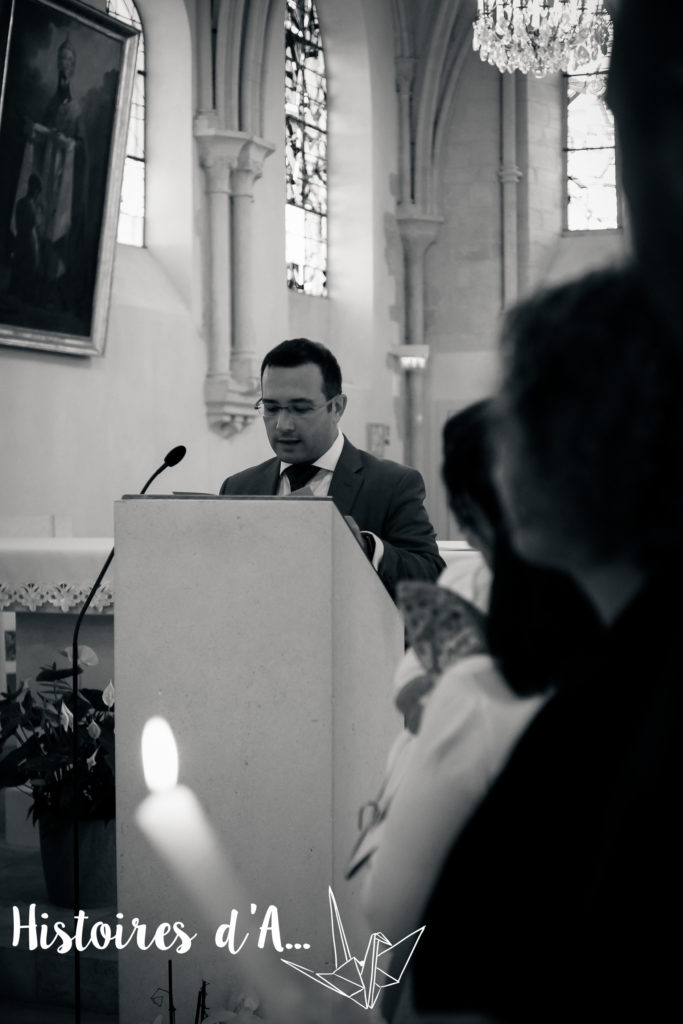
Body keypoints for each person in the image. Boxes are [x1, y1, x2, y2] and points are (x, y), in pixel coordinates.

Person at [410, 264, 682, 1024]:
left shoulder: (625, 708)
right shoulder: (621, 658)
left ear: (592, 447)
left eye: (516, 419)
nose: (499, 460)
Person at [220, 338, 445, 597]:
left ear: (337, 408)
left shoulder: (391, 485)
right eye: (271, 408)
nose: (282, 425)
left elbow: (432, 578)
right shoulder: (239, 488)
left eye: (300, 409)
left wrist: (368, 548)